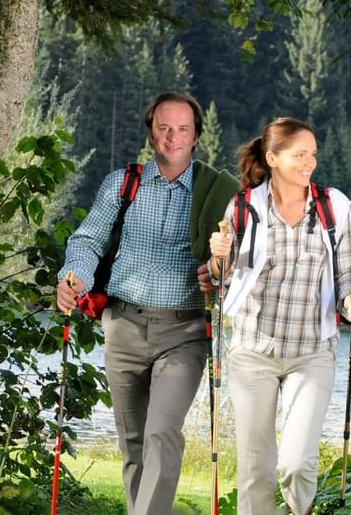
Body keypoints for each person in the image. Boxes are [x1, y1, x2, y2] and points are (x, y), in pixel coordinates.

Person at [56, 92, 237, 514]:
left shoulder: (219, 194)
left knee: (161, 433)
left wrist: (217, 269)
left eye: (183, 129)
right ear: (151, 130)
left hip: (185, 332)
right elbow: (88, 240)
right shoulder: (123, 182)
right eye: (164, 127)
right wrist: (74, 276)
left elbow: (233, 266)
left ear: (195, 137)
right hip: (123, 324)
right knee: (133, 441)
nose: (172, 137)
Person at [207, 117, 351, 515]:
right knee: (254, 469)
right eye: (300, 154)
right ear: (273, 158)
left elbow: (347, 273)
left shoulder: (334, 207)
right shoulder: (245, 208)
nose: (310, 162)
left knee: (297, 463)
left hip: (312, 353)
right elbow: (220, 277)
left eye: (313, 154)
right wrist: (218, 256)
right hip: (253, 351)